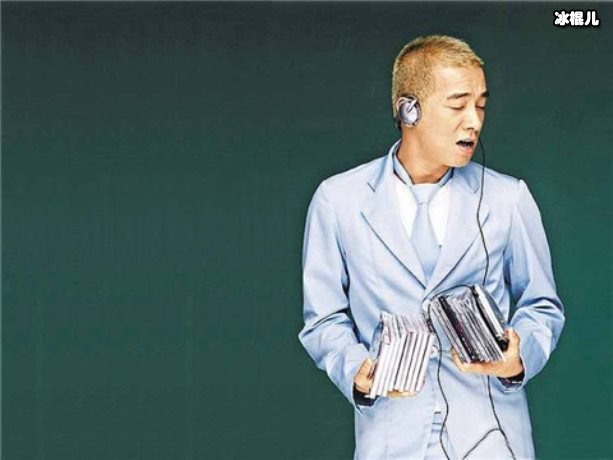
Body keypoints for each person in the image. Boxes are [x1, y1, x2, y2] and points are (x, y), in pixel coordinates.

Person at [298, 35, 565, 459]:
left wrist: (517, 359)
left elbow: (542, 305)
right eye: (458, 105)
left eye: (481, 105)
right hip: (391, 441)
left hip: (493, 439)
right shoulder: (338, 200)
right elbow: (323, 319)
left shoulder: (508, 198)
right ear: (409, 110)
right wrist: (355, 369)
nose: (473, 122)